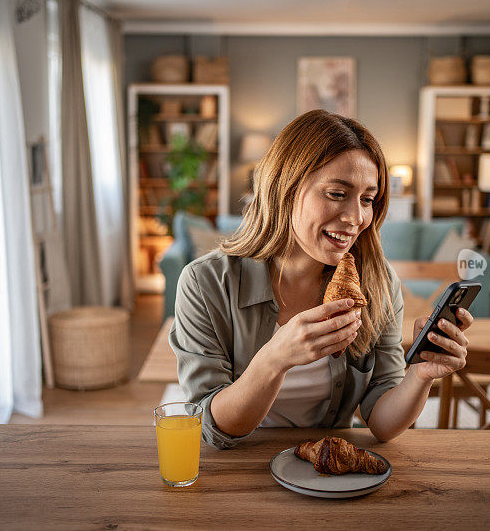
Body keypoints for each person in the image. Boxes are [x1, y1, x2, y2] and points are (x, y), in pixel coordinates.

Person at [170, 110, 473, 449]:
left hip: (326, 474)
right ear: (286, 188)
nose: (356, 218)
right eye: (336, 193)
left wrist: (420, 375)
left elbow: (382, 424)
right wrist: (276, 358)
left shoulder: (376, 281)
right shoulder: (205, 283)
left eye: (367, 199)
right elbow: (211, 428)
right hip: (240, 467)